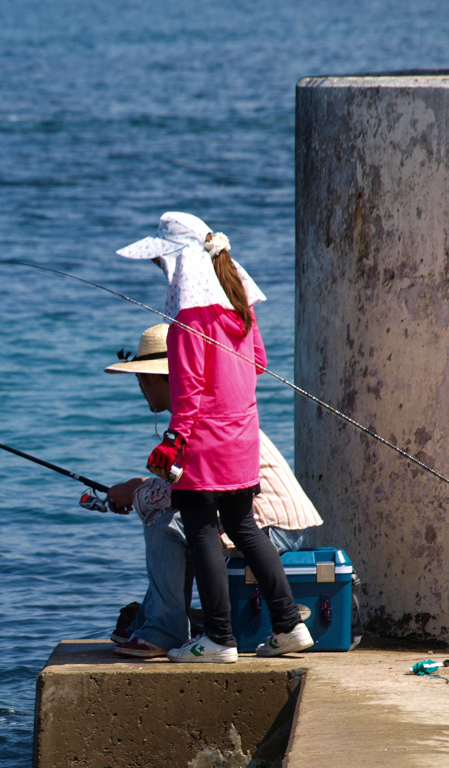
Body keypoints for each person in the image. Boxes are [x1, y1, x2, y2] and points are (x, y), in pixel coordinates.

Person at [116, 212, 314, 663]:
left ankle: (220, 639)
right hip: (241, 436)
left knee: (202, 530)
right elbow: (259, 362)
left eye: (162, 262)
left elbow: (189, 390)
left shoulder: (188, 319)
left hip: (203, 441)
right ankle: (289, 625)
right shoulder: (239, 307)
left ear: (179, 262)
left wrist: (173, 440)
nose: (161, 270)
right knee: (244, 528)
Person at [103, 323, 323, 659]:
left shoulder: (194, 422)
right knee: (179, 519)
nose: (141, 388)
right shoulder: (217, 409)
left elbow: (184, 494)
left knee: (165, 524)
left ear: (157, 378)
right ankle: (152, 622)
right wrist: (140, 488)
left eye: (141, 379)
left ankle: (164, 633)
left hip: (273, 526)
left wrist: (133, 493)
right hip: (280, 521)